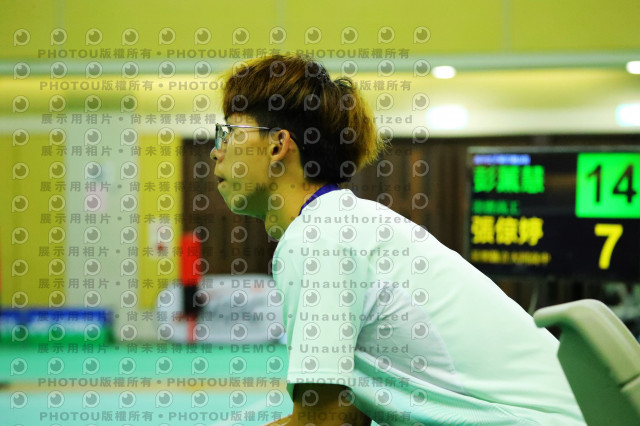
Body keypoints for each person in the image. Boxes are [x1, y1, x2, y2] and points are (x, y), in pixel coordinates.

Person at [210, 53, 586, 426]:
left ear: (278, 145)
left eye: (229, 133)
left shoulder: (318, 238)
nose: (216, 151)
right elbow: (345, 416)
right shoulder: (339, 225)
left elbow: (321, 424)